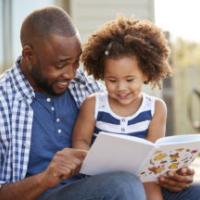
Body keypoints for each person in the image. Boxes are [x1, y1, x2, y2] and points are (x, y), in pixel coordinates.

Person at [0, 5, 198, 200]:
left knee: (194, 191)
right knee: (123, 184)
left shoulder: (83, 83)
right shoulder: (4, 101)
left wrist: (167, 173)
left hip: (106, 186)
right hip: (51, 193)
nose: (71, 73)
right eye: (60, 65)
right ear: (29, 55)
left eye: (75, 62)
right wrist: (44, 179)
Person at [72, 16, 200, 200]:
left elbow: (152, 153)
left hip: (141, 176)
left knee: (149, 184)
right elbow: (80, 141)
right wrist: (90, 158)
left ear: (146, 73)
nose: (121, 88)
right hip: (100, 177)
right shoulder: (94, 104)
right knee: (126, 185)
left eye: (129, 80)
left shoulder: (156, 108)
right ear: (102, 75)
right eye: (112, 80)